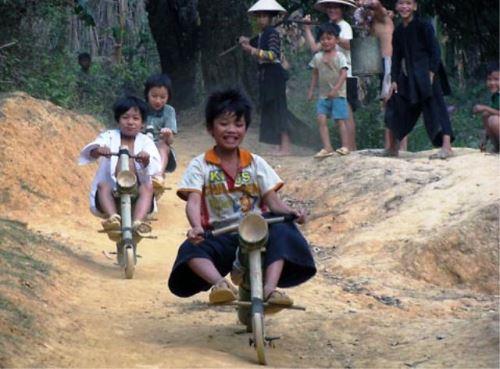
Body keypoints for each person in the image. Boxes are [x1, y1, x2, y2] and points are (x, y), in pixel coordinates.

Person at [167, 87, 316, 311]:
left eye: (238, 124)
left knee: (285, 230)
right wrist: (196, 227)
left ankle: (270, 290)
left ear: (246, 128)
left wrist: (290, 213)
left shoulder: (255, 163)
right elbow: (194, 201)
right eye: (224, 123)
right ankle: (220, 285)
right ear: (210, 127)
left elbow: (273, 201)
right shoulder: (201, 165)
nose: (231, 130)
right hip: (222, 235)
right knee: (190, 249)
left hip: (259, 230)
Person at [79, 96, 161, 237]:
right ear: (118, 120)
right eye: (125, 117)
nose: (130, 122)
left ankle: (138, 222)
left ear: (142, 123)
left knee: (147, 187)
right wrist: (99, 150)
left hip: (135, 190)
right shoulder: (109, 136)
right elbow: (91, 151)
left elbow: (155, 165)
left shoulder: (146, 141)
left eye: (135, 118)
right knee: (103, 185)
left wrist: (146, 159)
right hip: (113, 189)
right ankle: (113, 218)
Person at [385, 0, 454, 159]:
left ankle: (447, 146)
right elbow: (396, 57)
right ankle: (393, 148)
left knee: (437, 108)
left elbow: (435, 50)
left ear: (414, 6)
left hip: (428, 75)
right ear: (396, 6)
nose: (405, 7)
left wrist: (431, 72)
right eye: (401, 3)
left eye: (408, 3)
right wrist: (394, 79)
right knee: (396, 104)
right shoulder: (399, 31)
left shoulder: (424, 25)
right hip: (410, 77)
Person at [239, 0, 292, 156]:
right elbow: (252, 43)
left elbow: (273, 54)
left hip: (274, 74)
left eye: (264, 16)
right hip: (266, 75)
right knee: (270, 109)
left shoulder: (272, 34)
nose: (260, 20)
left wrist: (252, 50)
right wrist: (245, 42)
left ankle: (286, 146)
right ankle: (278, 144)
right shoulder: (263, 34)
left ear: (270, 18)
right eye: (259, 16)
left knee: (278, 109)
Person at [303, 0, 358, 152]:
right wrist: (307, 29)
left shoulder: (344, 26)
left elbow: (350, 45)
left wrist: (334, 35)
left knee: (346, 114)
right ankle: (343, 147)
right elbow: (315, 48)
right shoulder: (328, 27)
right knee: (339, 115)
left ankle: (351, 148)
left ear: (342, 9)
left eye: (336, 7)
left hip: (346, 74)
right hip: (330, 78)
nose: (332, 10)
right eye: (330, 7)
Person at [354, 0, 408, 154]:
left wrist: (363, 3)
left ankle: (399, 146)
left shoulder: (383, 16)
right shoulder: (372, 21)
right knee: (388, 103)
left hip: (391, 62)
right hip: (383, 64)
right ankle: (391, 145)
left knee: (393, 101)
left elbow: (376, 4)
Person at [307, 23, 350, 157]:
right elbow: (315, 74)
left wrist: (336, 89)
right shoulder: (317, 58)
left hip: (338, 95)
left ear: (337, 40)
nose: (326, 41)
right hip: (323, 95)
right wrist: (311, 91)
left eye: (329, 38)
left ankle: (345, 146)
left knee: (340, 120)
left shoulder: (340, 57)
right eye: (323, 39)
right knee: (321, 119)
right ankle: (327, 147)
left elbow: (344, 74)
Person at [143, 74, 178, 196]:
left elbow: (170, 141)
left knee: (163, 146)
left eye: (163, 97)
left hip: (159, 145)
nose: (158, 101)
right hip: (140, 144)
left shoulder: (169, 111)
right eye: (154, 96)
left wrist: (168, 135)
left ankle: (158, 176)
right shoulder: (139, 108)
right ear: (147, 94)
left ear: (168, 96)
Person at [473, 62, 500, 153]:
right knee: (486, 115)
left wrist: (485, 108)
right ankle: (497, 147)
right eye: (489, 79)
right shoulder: (496, 96)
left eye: (496, 79)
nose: (492, 83)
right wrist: (484, 138)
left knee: (494, 119)